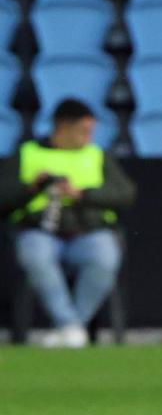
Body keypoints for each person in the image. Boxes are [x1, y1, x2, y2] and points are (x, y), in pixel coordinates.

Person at [0, 98, 135, 348]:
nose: (89, 137)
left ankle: (69, 329)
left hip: (89, 232)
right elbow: (3, 196)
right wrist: (32, 188)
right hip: (40, 232)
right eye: (84, 131)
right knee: (35, 255)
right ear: (62, 127)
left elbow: (126, 194)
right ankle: (73, 328)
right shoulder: (27, 153)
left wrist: (82, 194)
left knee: (105, 256)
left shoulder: (97, 155)